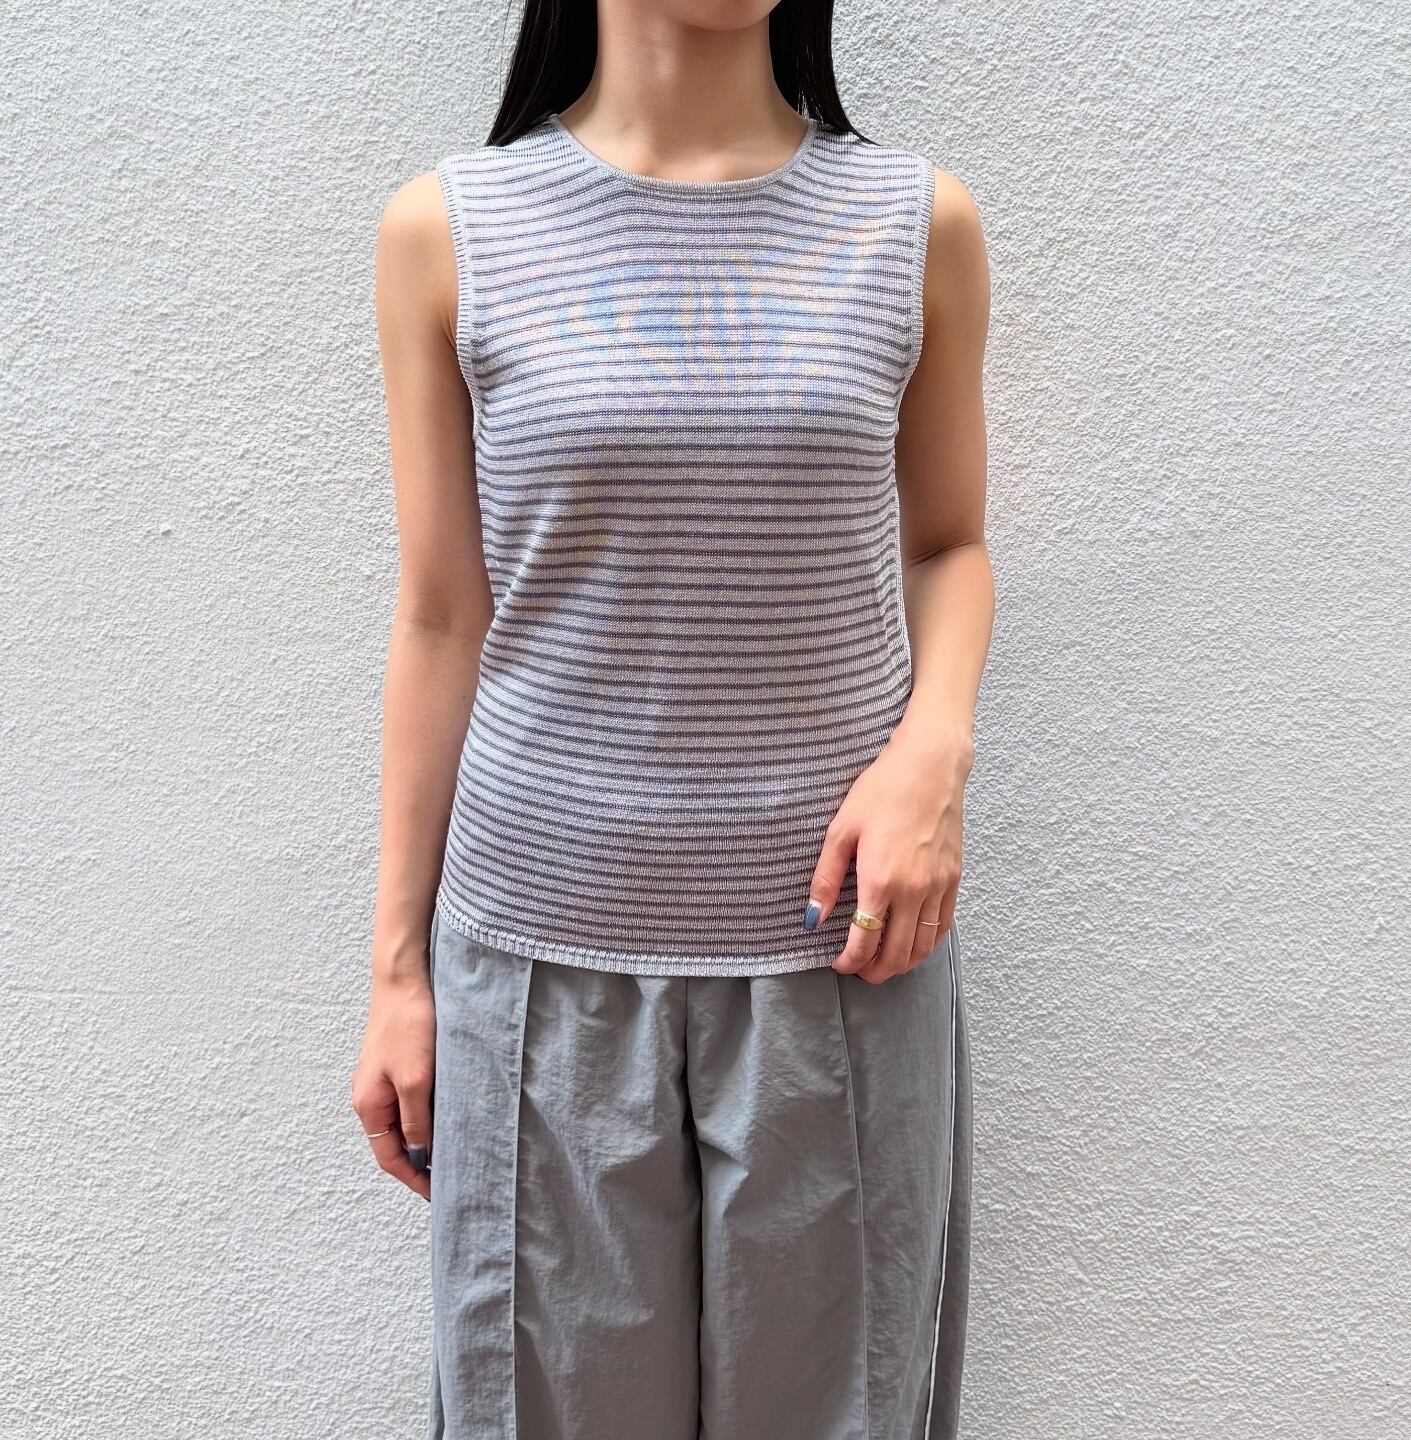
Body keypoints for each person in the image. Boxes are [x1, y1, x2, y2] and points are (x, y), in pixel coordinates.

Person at [351, 2, 993, 1435]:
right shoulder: (450, 231)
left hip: (843, 954)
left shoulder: (913, 224)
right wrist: (398, 970)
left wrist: (933, 748)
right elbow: (442, 616)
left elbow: (949, 543)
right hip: (538, 966)